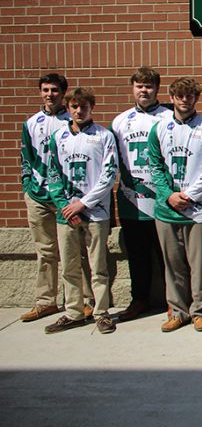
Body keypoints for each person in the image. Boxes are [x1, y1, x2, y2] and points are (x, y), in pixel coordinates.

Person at [148, 77, 202, 333]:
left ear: (196, 99)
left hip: (199, 209)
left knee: (199, 263)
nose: (184, 100)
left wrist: (189, 195)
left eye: (189, 96)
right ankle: (178, 311)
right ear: (171, 98)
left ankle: (200, 311)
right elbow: (155, 166)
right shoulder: (159, 128)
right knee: (173, 264)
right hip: (167, 208)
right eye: (179, 95)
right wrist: (169, 195)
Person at [44, 88, 119, 334]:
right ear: (68, 108)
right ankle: (74, 312)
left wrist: (83, 203)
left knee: (98, 266)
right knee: (69, 265)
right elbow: (52, 174)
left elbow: (108, 175)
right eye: (74, 107)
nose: (79, 111)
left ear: (91, 108)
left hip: (95, 211)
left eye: (83, 106)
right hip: (66, 213)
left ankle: (101, 312)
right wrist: (66, 205)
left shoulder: (104, 136)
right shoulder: (58, 138)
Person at [110, 67, 173, 322]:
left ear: (157, 89)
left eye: (148, 86)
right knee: (137, 255)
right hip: (131, 199)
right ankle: (140, 300)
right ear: (133, 89)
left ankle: (174, 301)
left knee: (168, 255)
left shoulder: (168, 117)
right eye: (139, 86)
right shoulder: (120, 121)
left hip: (162, 200)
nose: (144, 90)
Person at [19, 73, 72, 322]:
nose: (49, 94)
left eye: (54, 90)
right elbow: (26, 158)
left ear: (63, 93)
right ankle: (45, 301)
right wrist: (27, 186)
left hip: (66, 197)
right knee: (45, 251)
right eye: (45, 90)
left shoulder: (72, 120)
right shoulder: (31, 123)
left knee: (73, 251)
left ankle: (80, 300)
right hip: (38, 195)